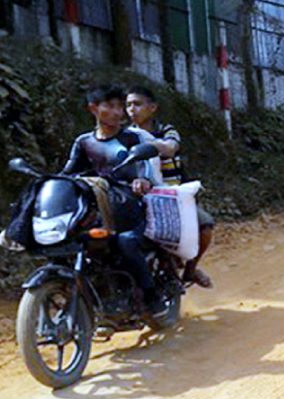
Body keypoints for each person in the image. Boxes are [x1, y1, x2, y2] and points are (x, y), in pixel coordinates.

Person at [62, 84, 167, 315]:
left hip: (129, 210)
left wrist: (142, 181)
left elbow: (145, 168)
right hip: (94, 210)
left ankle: (151, 296)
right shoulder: (83, 142)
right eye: (110, 106)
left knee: (126, 242)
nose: (119, 112)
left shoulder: (132, 138)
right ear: (93, 109)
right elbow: (68, 172)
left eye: (120, 107)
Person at [126, 85, 214, 289]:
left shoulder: (166, 130)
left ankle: (190, 270)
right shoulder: (124, 134)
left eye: (137, 104)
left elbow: (171, 148)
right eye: (128, 105)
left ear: (152, 107)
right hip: (135, 195)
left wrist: (151, 145)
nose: (132, 109)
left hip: (170, 195)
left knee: (206, 226)